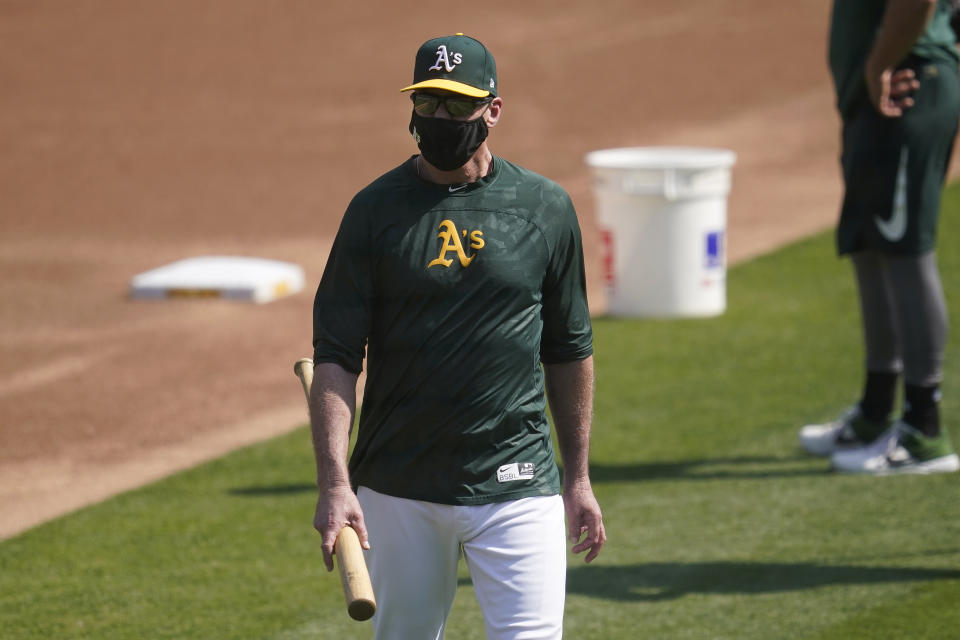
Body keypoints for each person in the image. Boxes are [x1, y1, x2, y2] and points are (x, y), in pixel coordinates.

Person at [308, 33, 605, 638]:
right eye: (428, 103)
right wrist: (336, 484)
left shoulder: (543, 207)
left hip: (518, 481)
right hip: (399, 488)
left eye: (456, 104)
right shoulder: (373, 212)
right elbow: (336, 356)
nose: (439, 118)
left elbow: (569, 349)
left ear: (492, 110)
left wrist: (577, 478)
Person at [799, 0, 960, 474]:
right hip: (882, 94)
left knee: (905, 252)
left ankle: (925, 429)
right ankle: (876, 412)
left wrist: (881, 62)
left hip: (906, 85)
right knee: (871, 248)